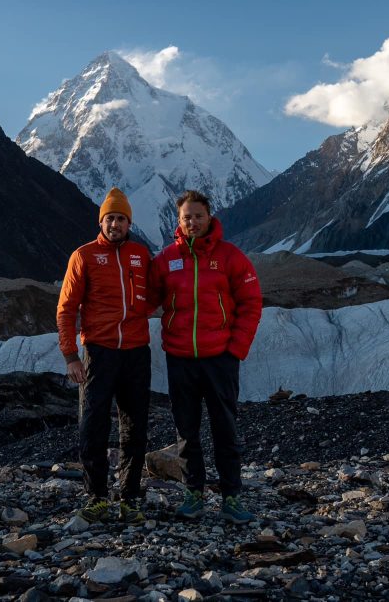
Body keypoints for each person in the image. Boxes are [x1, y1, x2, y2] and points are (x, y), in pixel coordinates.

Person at [149, 190, 263, 524]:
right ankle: (193, 493)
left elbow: (251, 302)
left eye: (199, 215)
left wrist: (235, 349)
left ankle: (231, 498)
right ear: (179, 221)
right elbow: (146, 298)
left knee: (225, 429)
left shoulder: (230, 257)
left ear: (210, 216)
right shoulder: (166, 259)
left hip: (219, 359)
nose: (193, 222)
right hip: (181, 358)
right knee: (187, 431)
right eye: (187, 217)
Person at [57, 187, 152, 525]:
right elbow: (67, 309)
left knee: (135, 427)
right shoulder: (82, 256)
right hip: (98, 351)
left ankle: (129, 497)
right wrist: (71, 355)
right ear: (102, 221)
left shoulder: (141, 255)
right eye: (110, 218)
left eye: (121, 218)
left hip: (137, 352)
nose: (115, 223)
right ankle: (97, 495)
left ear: (129, 222)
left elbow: (153, 296)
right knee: (92, 425)